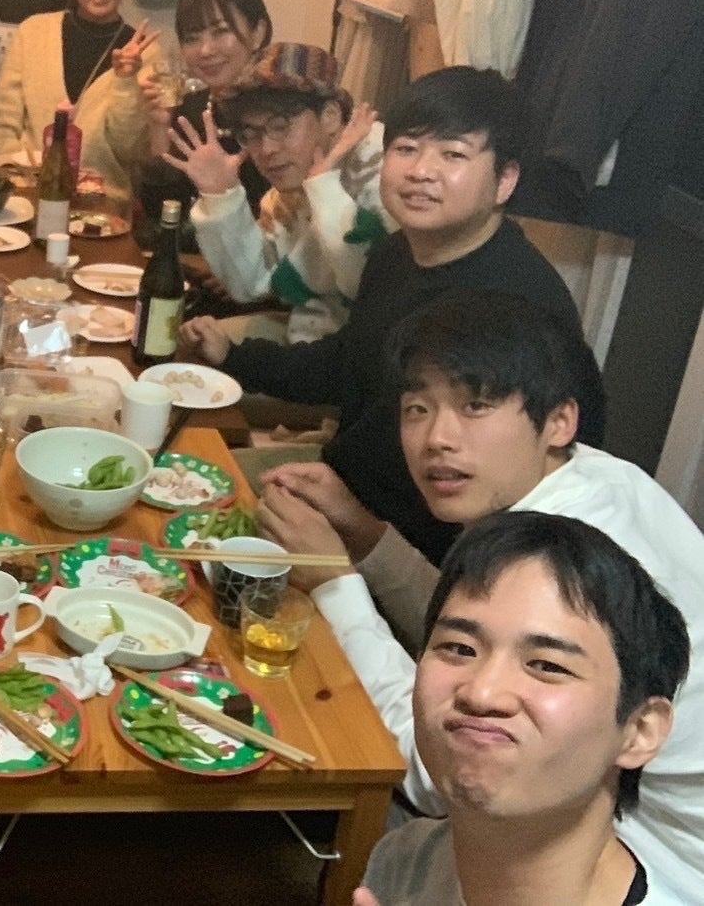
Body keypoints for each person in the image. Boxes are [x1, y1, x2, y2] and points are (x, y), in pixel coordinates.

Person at [258, 290, 704, 894]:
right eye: (417, 408)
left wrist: (334, 582)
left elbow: (434, 771)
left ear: (559, 420)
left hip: (654, 855)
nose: (437, 437)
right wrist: (366, 537)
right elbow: (475, 633)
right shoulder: (587, 476)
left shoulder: (583, 548)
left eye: (476, 405)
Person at [181, 66, 605, 563]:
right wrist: (233, 355)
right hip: (343, 490)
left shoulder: (518, 303)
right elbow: (347, 364)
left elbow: (521, 500)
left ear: (505, 180)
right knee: (179, 488)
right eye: (406, 149)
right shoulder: (396, 254)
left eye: (453, 154)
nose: (421, 171)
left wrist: (365, 534)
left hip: (421, 556)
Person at [357, 512, 690, 904]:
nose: (482, 693)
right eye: (459, 648)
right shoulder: (406, 859)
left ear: (640, 731)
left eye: (547, 666)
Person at [165, 42, 390, 343]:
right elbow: (251, 285)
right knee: (189, 341)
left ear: (330, 116)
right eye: (251, 134)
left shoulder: (385, 169)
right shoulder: (285, 197)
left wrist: (325, 188)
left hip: (375, 349)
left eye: (281, 126)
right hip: (314, 333)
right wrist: (221, 194)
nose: (266, 149)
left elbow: (362, 284)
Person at [0, 0, 162, 199]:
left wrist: (126, 81)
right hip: (28, 197)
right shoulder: (33, 32)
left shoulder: (145, 52)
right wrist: (18, 187)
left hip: (102, 208)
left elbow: (129, 152)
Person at [136, 0, 274, 229]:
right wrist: (159, 128)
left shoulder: (279, 117)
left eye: (221, 32)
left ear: (258, 32)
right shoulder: (192, 109)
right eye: (192, 38)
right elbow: (162, 214)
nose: (206, 50)